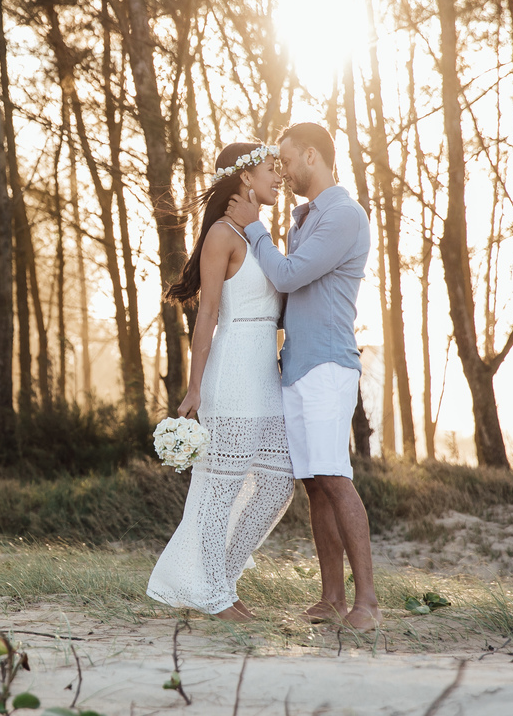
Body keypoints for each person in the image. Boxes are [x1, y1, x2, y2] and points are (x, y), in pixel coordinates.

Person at [224, 122, 381, 631]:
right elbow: (286, 295)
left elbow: (289, 275)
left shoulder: (345, 215)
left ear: (311, 156)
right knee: (315, 485)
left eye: (288, 160)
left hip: (329, 366)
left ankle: (368, 604)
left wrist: (252, 229)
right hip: (296, 365)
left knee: (335, 477)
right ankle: (333, 596)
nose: (283, 171)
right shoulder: (301, 219)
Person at [146, 142, 295, 622]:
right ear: (246, 177)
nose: (280, 178)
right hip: (229, 371)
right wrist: (195, 387)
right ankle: (214, 596)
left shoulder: (260, 234)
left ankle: (220, 579)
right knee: (219, 488)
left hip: (265, 375)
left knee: (278, 481)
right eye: (272, 170)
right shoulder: (221, 235)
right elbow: (206, 314)